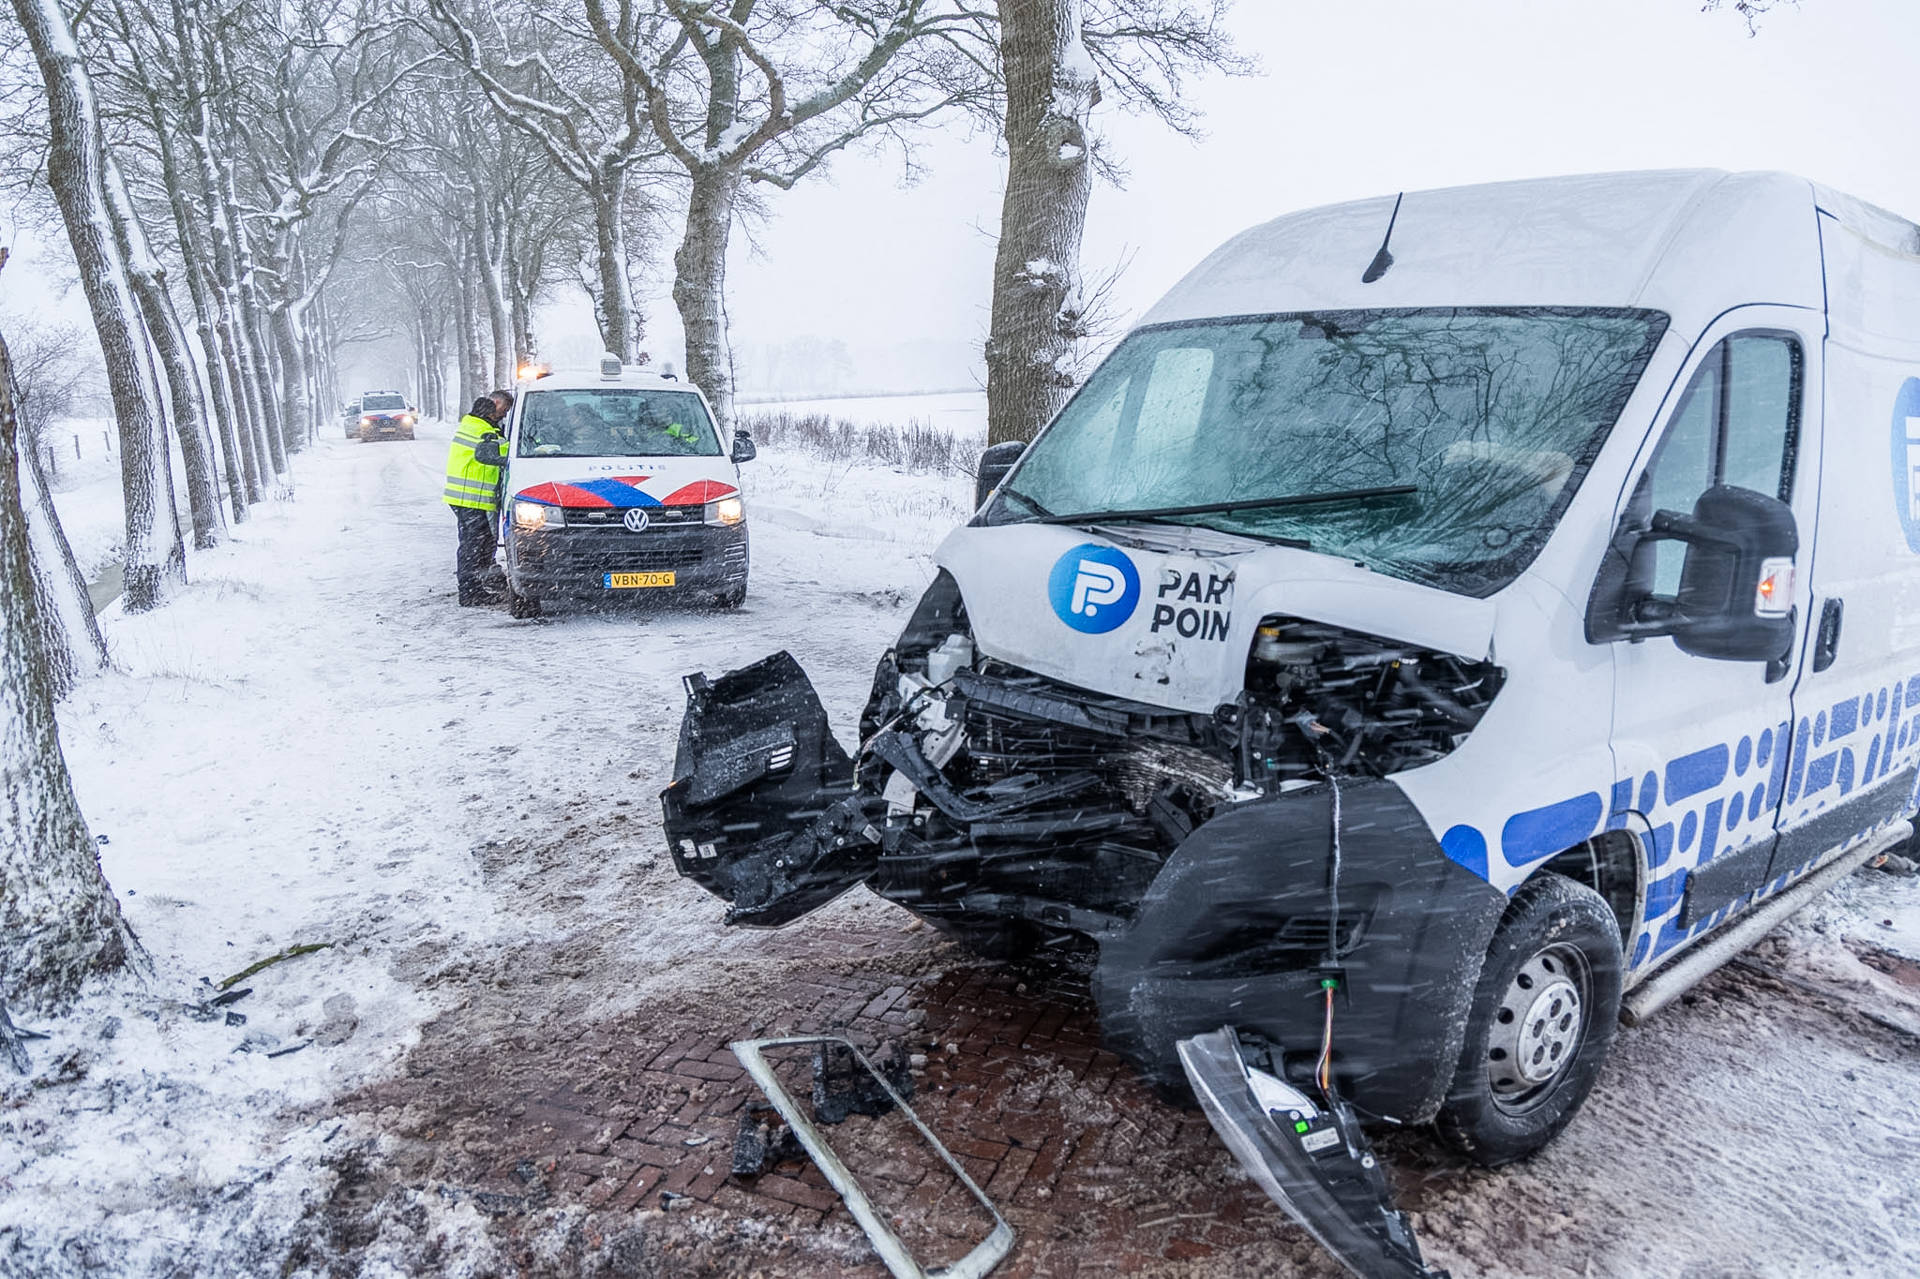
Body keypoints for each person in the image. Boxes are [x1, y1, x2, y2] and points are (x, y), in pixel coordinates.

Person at [444, 396, 507, 606]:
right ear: (490, 413)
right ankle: (470, 592)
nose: (504, 415)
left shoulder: (469, 424)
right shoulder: (484, 432)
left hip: (462, 497)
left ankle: (476, 585)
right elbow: (510, 452)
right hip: (472, 498)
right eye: (502, 411)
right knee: (473, 547)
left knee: (476, 545)